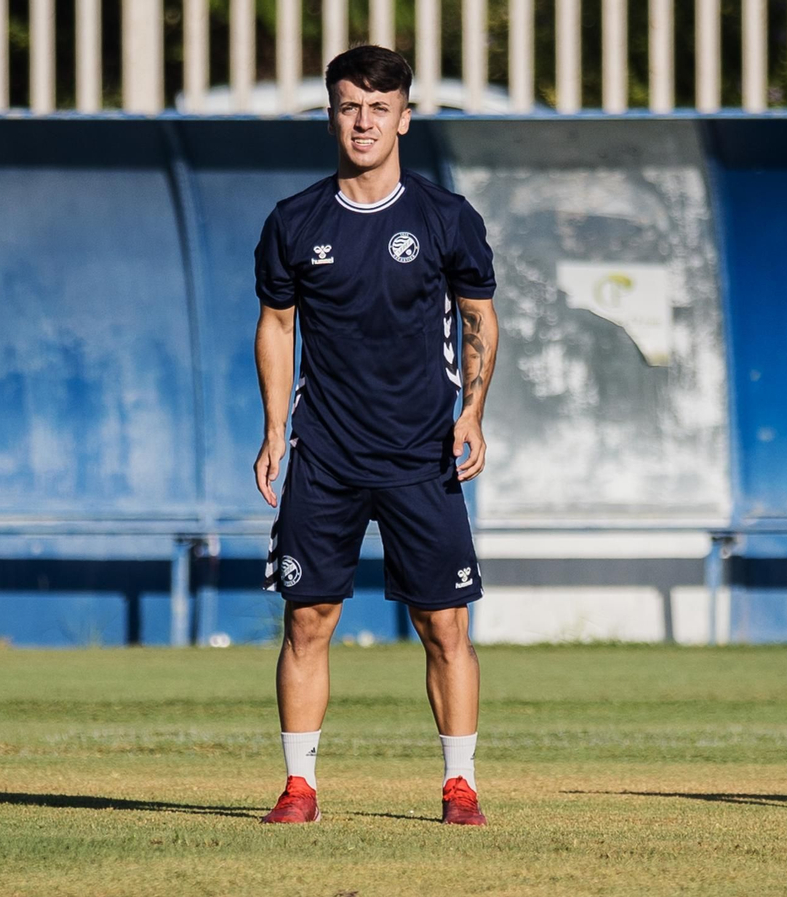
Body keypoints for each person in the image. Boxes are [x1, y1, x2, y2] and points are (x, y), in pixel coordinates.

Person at [251, 44, 499, 827]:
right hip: (324, 453)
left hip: (421, 452)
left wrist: (472, 412)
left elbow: (479, 318)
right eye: (350, 106)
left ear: (406, 119)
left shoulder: (445, 217)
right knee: (307, 618)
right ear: (331, 115)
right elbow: (277, 324)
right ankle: (300, 788)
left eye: (379, 108)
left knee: (445, 623)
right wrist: (273, 431)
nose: (364, 121)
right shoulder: (294, 221)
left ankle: (459, 785)